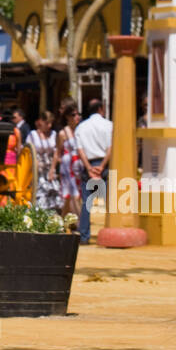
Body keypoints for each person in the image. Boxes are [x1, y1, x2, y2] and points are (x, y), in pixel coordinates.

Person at [75, 98, 113, 245]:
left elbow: (80, 150)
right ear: (101, 109)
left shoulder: (81, 127)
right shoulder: (109, 125)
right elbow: (111, 148)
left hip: (88, 166)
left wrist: (89, 168)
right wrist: (102, 166)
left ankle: (84, 237)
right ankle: (109, 234)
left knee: (86, 203)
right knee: (110, 201)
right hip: (105, 164)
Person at [56, 99, 83, 231]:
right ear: (67, 117)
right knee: (75, 195)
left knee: (68, 198)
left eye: (78, 114)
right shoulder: (63, 133)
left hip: (78, 166)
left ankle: (61, 222)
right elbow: (58, 152)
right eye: (73, 115)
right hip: (67, 168)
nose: (77, 117)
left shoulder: (80, 130)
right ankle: (80, 224)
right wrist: (52, 170)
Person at [27, 110, 61, 212]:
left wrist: (52, 169)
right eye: (47, 123)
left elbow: (56, 152)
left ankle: (52, 214)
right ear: (41, 121)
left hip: (50, 167)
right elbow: (27, 151)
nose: (49, 126)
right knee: (39, 191)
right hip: (37, 168)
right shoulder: (33, 135)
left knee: (52, 190)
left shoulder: (54, 134)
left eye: (51, 123)